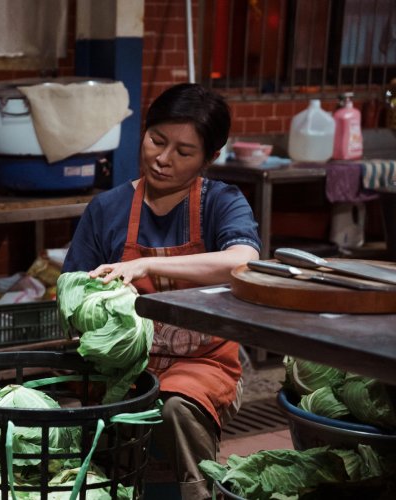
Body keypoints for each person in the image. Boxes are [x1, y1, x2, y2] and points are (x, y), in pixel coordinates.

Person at [63, 83, 261, 499]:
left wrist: (146, 264)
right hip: (121, 365)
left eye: (184, 152)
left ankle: (200, 493)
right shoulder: (107, 209)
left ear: (210, 157)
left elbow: (242, 262)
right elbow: (72, 291)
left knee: (176, 405)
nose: (163, 159)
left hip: (204, 364)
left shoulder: (221, 203)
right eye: (156, 140)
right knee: (107, 430)